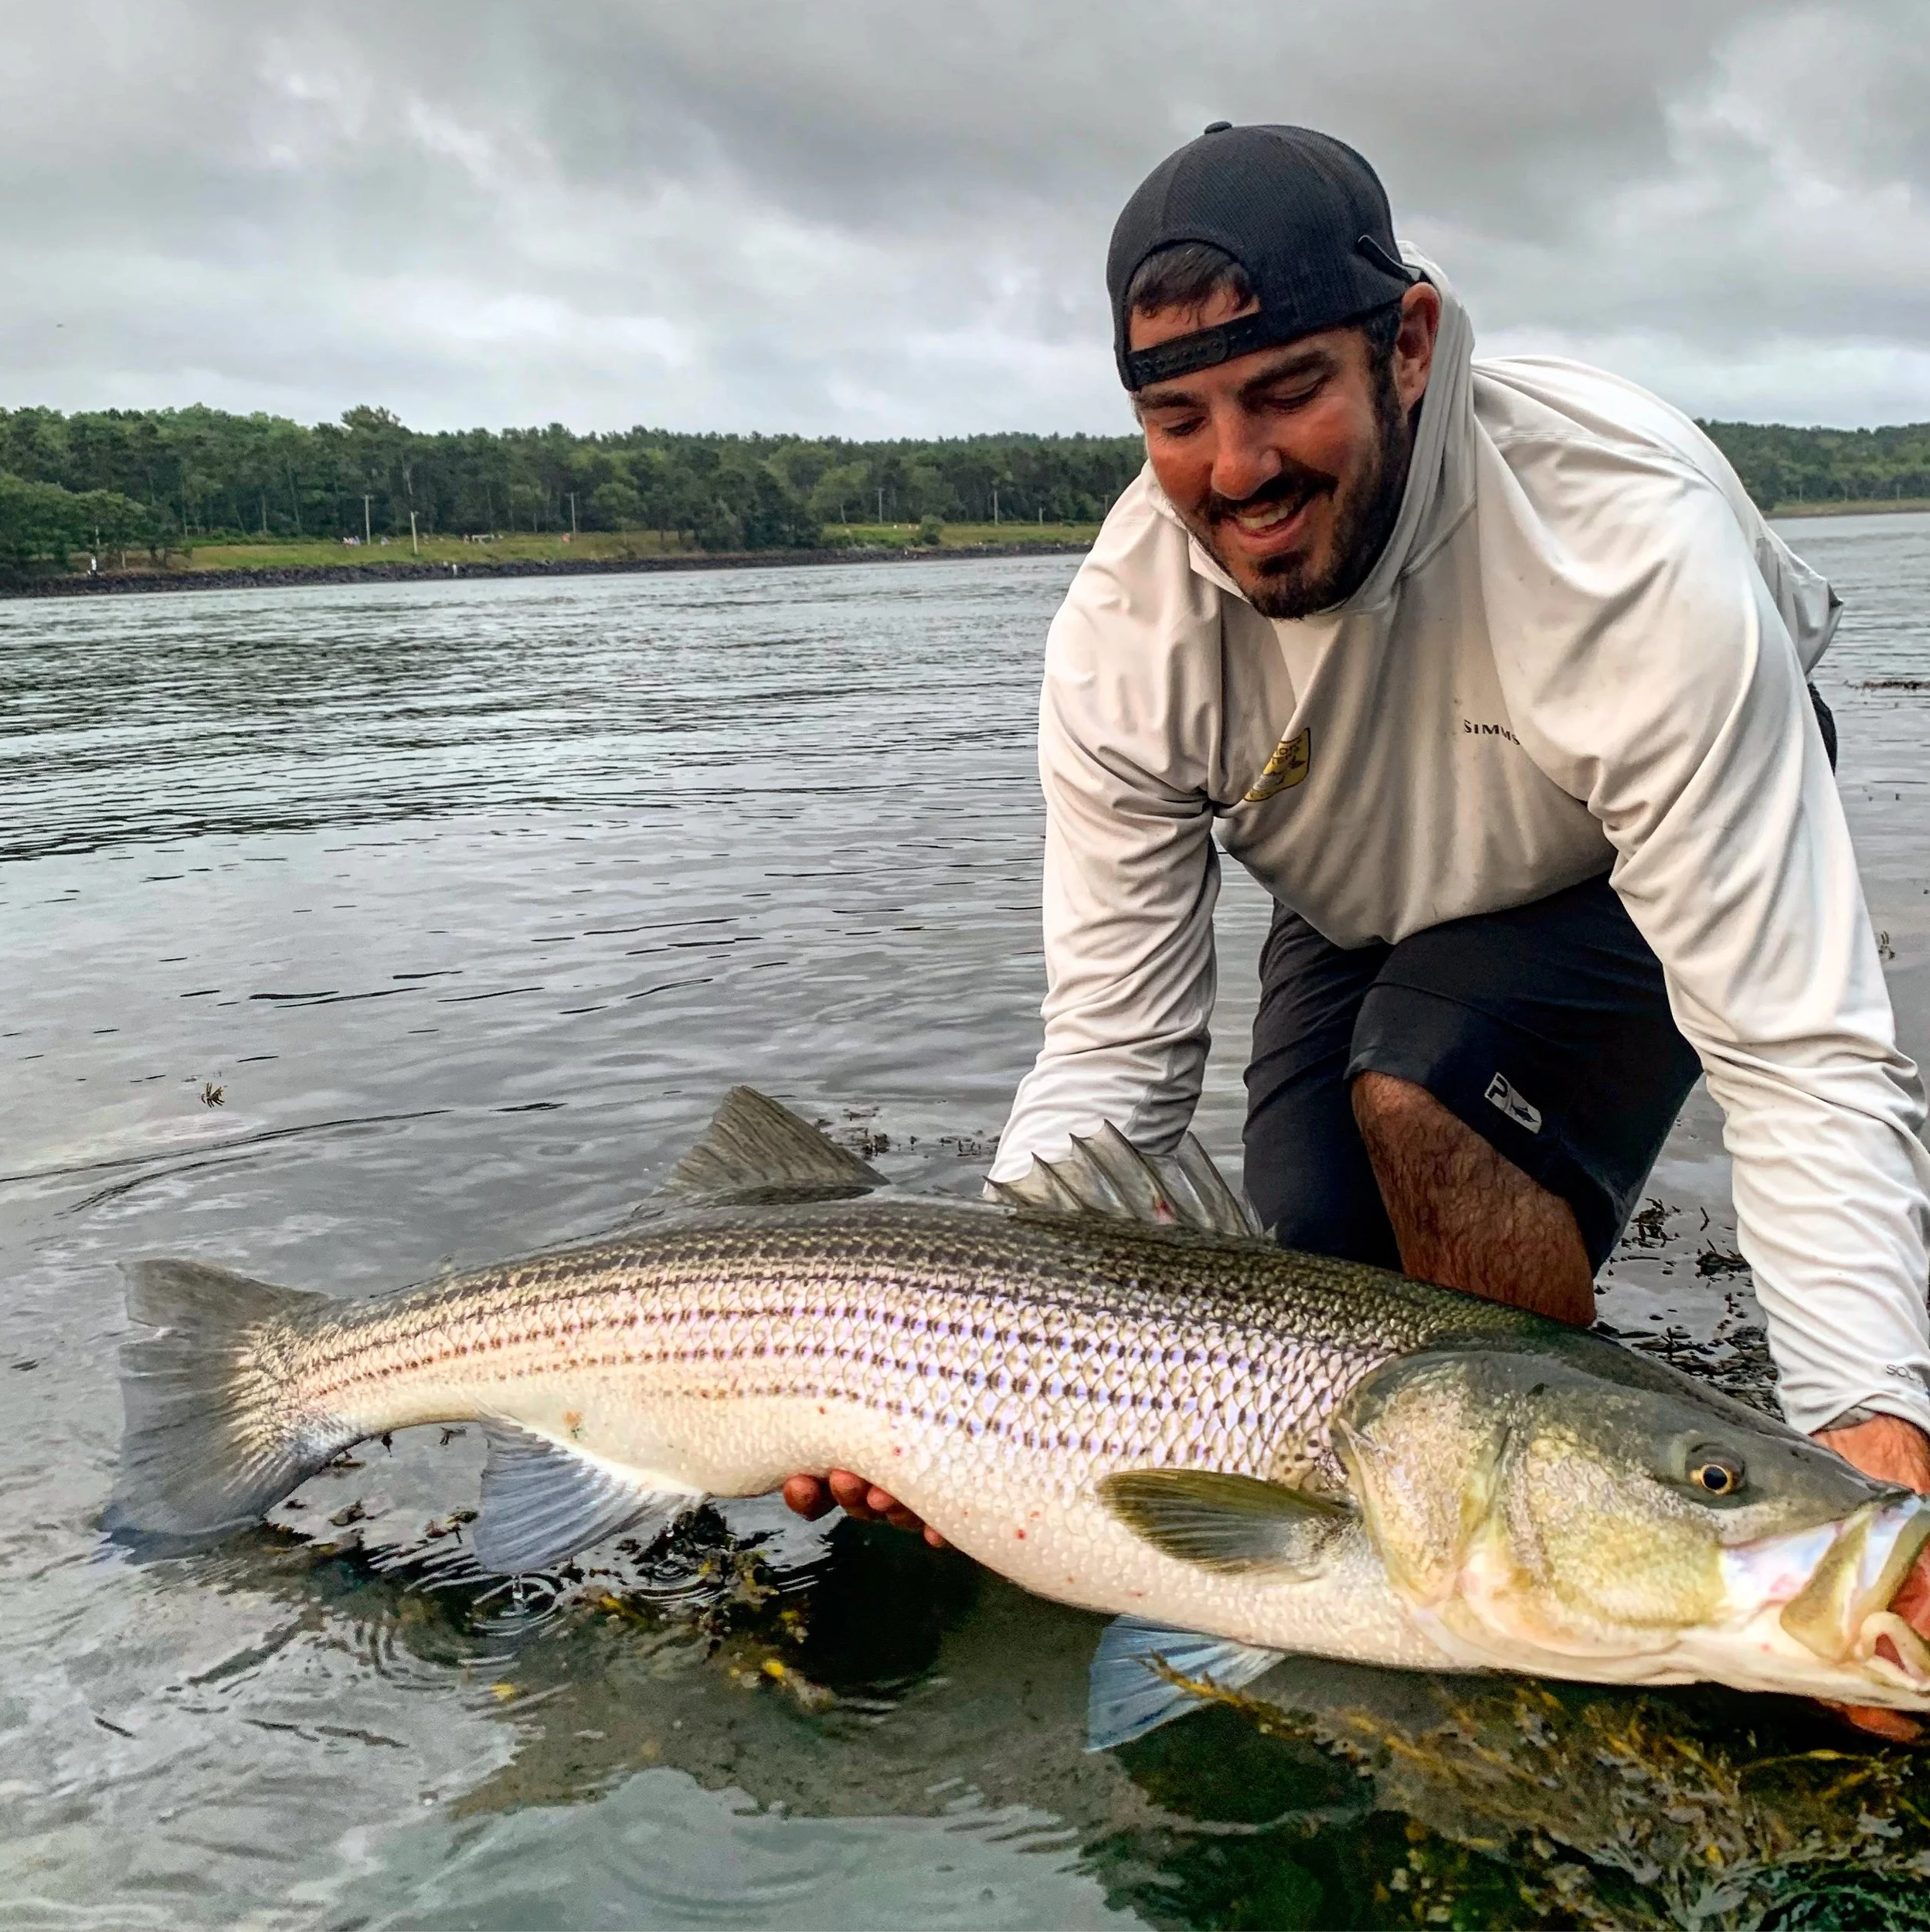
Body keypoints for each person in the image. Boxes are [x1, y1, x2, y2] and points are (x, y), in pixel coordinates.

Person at [783, 124, 1930, 1730]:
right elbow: (1110, 1055)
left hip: (1615, 855)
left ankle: (1571, 1602)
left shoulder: (1627, 553)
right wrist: (945, 1369)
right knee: (1318, 1300)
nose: (1233, 469)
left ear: (1406, 343)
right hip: (1362, 892)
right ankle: (1515, 1542)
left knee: (1424, 1085)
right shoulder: (1126, 632)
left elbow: (1795, 1050)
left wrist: (1869, 1436)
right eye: (1175, 419)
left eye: (1280, 393)